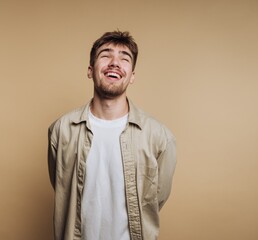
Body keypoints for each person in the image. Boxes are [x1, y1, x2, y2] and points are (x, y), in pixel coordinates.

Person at [47, 30, 176, 240]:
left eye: (124, 58)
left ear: (132, 75)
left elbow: (155, 200)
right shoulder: (61, 130)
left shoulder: (159, 137)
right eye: (105, 55)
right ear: (90, 70)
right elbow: (62, 188)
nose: (115, 63)